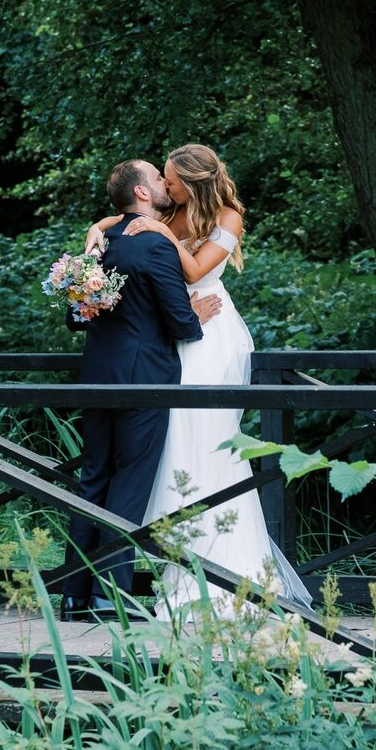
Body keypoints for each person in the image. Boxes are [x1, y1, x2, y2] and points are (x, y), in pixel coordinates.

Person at [85, 143, 310, 616]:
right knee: (172, 443)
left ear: (191, 180)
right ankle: (174, 558)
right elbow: (117, 224)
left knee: (205, 440)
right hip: (176, 332)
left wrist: (163, 238)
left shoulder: (227, 217)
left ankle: (225, 570)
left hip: (210, 333)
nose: (165, 186)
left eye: (170, 179)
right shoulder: (170, 214)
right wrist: (96, 228)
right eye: (162, 179)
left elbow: (196, 268)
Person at [60, 159, 221, 621]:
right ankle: (109, 594)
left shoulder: (99, 243)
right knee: (129, 483)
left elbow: (76, 316)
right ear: (144, 194)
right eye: (156, 177)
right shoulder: (153, 244)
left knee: (93, 479)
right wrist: (198, 316)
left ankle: (74, 593)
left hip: (98, 376)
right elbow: (180, 323)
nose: (164, 182)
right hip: (143, 379)